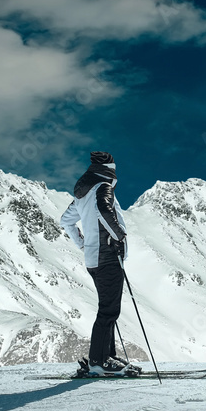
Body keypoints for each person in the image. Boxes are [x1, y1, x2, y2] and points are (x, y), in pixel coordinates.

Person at [60, 151, 142, 377]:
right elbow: (105, 210)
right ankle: (98, 361)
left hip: (93, 259)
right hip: (107, 257)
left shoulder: (82, 194)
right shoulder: (103, 187)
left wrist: (82, 244)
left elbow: (65, 221)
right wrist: (119, 236)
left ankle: (107, 356)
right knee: (108, 310)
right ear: (110, 170)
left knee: (108, 308)